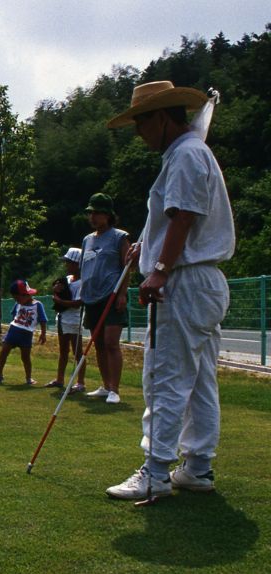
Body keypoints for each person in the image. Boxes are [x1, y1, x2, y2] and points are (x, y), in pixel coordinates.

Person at [103, 81, 234, 500]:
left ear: (161, 117)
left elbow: (183, 217)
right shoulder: (191, 152)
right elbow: (171, 218)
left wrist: (158, 269)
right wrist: (148, 244)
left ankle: (156, 470)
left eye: (140, 123)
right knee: (197, 381)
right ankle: (196, 467)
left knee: (166, 376)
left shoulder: (185, 154)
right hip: (202, 281)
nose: (138, 133)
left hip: (183, 281)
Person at [79, 193, 129, 404]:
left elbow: (127, 267)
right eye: (91, 213)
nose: (93, 217)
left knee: (111, 343)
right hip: (91, 296)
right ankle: (105, 385)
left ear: (108, 215)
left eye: (97, 213)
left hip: (111, 294)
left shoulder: (120, 237)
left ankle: (115, 390)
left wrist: (123, 293)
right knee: (98, 343)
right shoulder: (87, 240)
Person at [0, 280, 47, 385]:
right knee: (3, 352)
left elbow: (43, 320)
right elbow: (14, 314)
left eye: (17, 298)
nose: (16, 300)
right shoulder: (17, 304)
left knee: (25, 357)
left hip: (27, 334)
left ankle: (28, 378)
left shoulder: (37, 305)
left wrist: (43, 333)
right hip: (13, 331)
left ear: (25, 294)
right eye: (15, 298)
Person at [48, 248, 86, 392]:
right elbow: (62, 294)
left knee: (78, 352)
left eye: (69, 262)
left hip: (74, 319)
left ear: (77, 264)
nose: (66, 265)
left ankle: (80, 382)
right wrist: (56, 290)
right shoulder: (68, 279)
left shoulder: (83, 282)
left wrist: (58, 300)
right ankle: (59, 379)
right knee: (63, 350)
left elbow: (78, 303)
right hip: (62, 318)